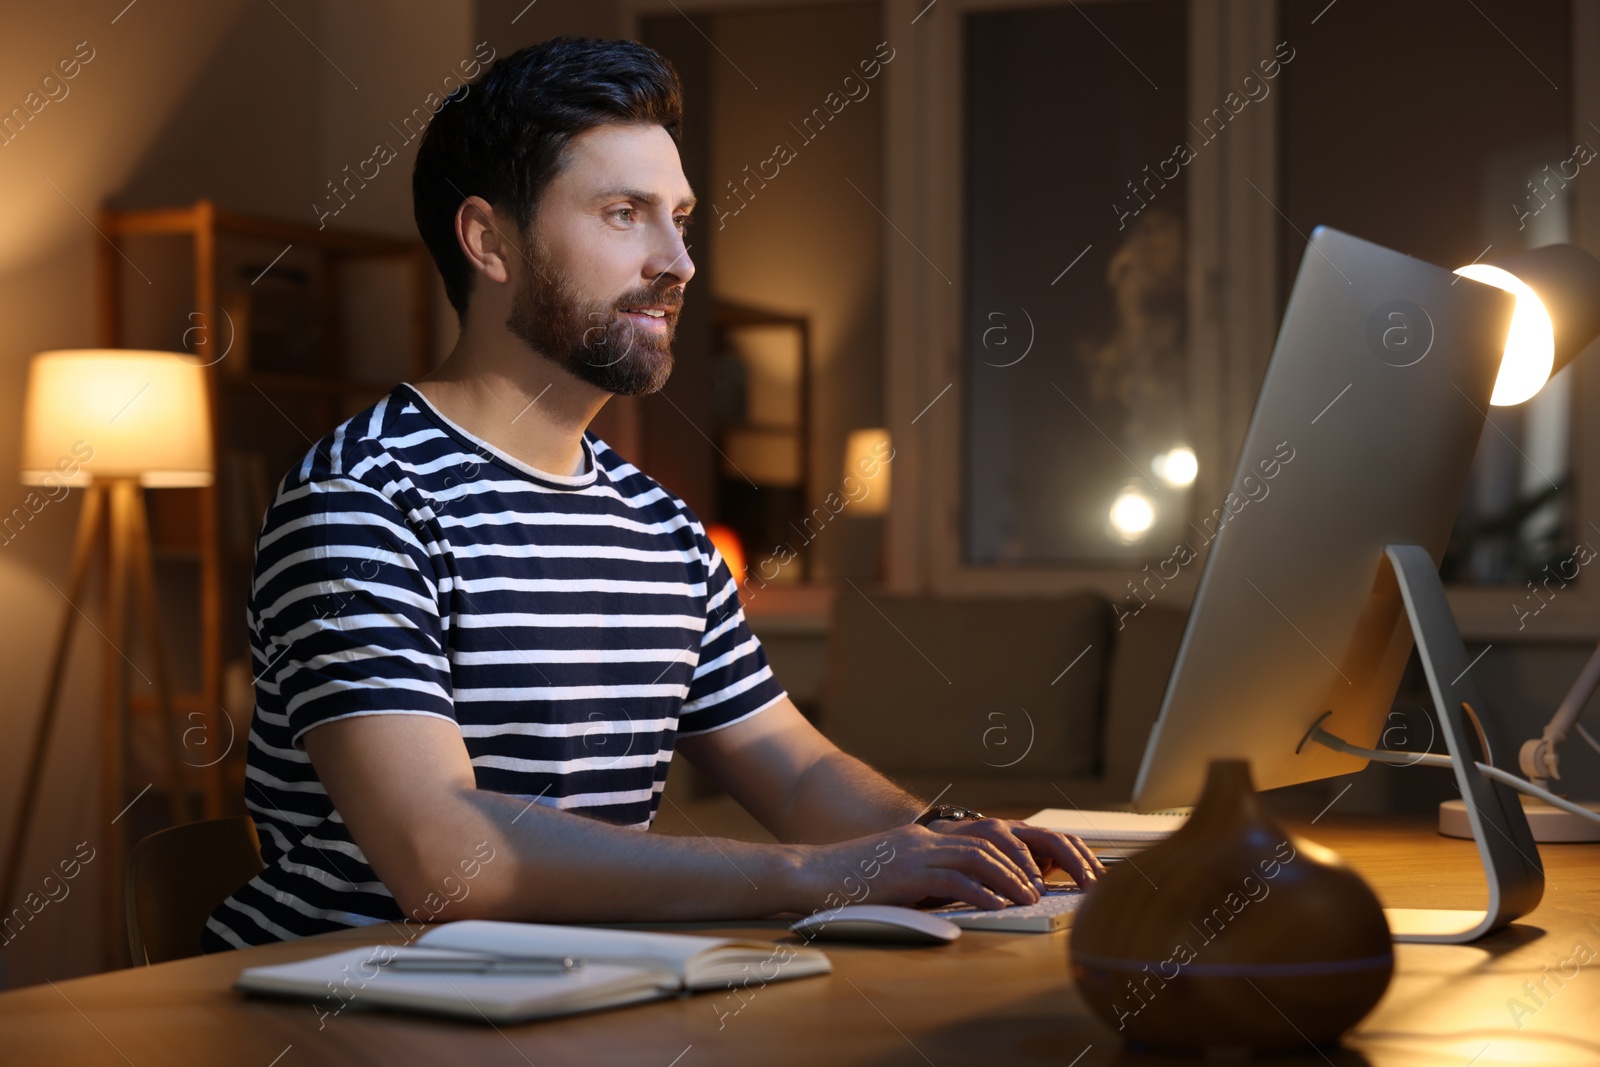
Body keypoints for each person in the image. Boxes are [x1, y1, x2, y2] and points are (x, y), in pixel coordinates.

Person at [203, 35, 1102, 951]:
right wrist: (806, 874)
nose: (679, 262)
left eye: (680, 217)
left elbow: (793, 773)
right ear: (488, 241)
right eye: (625, 213)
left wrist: (949, 844)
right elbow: (443, 855)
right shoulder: (361, 501)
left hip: (575, 998)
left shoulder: (660, 526)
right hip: (349, 1016)